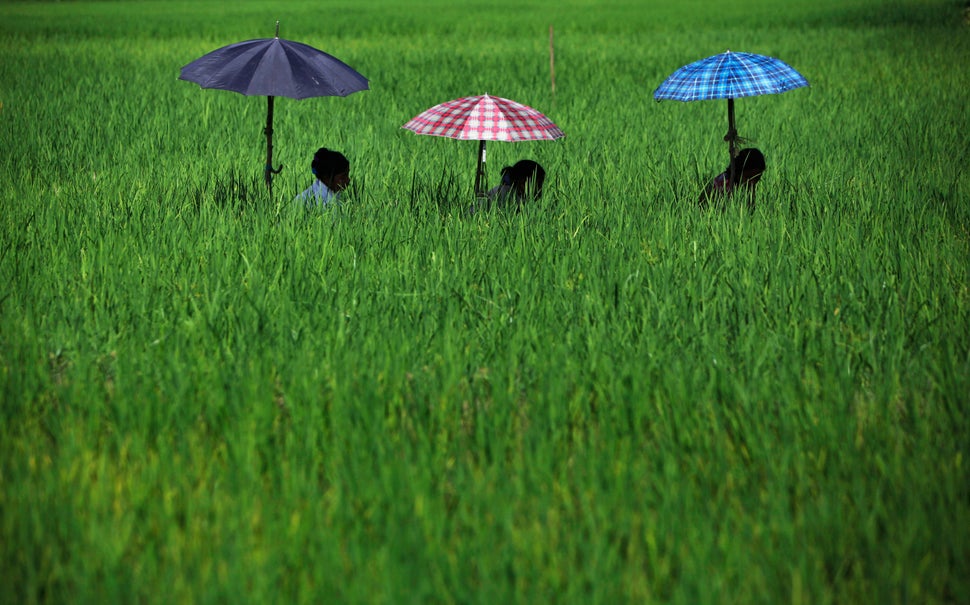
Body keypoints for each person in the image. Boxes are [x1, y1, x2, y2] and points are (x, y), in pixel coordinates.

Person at [698, 148, 765, 210]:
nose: (753, 182)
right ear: (738, 172)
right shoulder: (724, 184)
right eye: (749, 177)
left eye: (757, 178)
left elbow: (750, 209)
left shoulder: (743, 185)